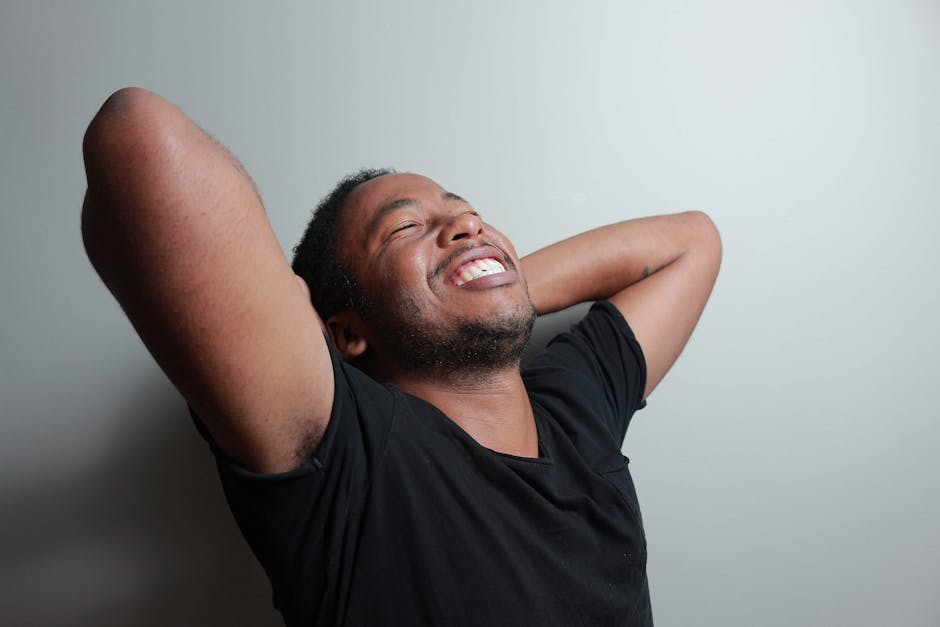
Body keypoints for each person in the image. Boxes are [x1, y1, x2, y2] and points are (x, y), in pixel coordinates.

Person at [81, 88, 721, 626]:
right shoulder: (348, 455)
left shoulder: (575, 407)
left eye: (469, 214)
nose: (467, 225)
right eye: (404, 228)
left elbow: (692, 241)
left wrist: (489, 283)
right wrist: (463, 283)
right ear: (345, 333)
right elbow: (136, 136)